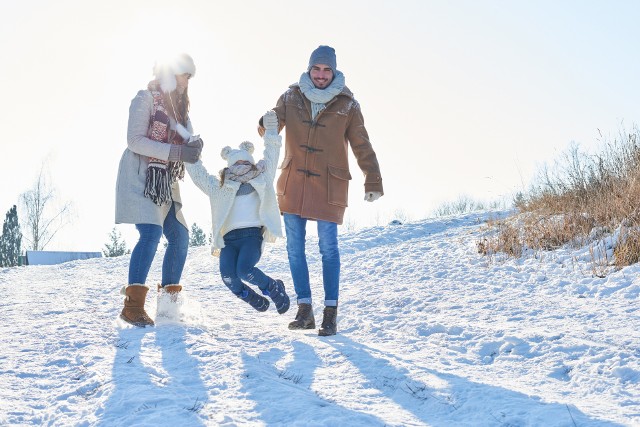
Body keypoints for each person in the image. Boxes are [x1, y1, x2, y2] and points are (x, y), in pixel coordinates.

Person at [258, 45, 384, 336]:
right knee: (294, 248)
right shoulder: (291, 96)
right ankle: (304, 311)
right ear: (309, 69)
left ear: (335, 71)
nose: (321, 75)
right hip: (293, 182)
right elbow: (272, 125)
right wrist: (266, 123)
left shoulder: (348, 105)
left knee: (328, 249)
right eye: (317, 69)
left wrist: (373, 180)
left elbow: (361, 145)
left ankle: (330, 313)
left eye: (327, 70)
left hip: (329, 183)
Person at [115, 53, 203, 327]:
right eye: (182, 74)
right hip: (142, 176)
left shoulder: (181, 110)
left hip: (167, 180)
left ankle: (167, 307)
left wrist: (195, 147)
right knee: (151, 233)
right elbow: (134, 140)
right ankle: (133, 307)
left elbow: (187, 143)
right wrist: (176, 151)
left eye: (189, 76)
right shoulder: (145, 98)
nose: (186, 81)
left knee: (180, 236)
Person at [186, 110, 290, 314]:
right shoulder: (220, 187)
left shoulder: (260, 178)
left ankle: (272, 287)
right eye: (237, 163)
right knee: (228, 276)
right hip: (229, 240)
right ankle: (248, 296)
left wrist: (271, 131)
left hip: (251, 236)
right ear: (229, 166)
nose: (242, 166)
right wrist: (189, 153)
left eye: (245, 162)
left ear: (251, 162)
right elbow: (199, 175)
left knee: (244, 270)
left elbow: (272, 153)